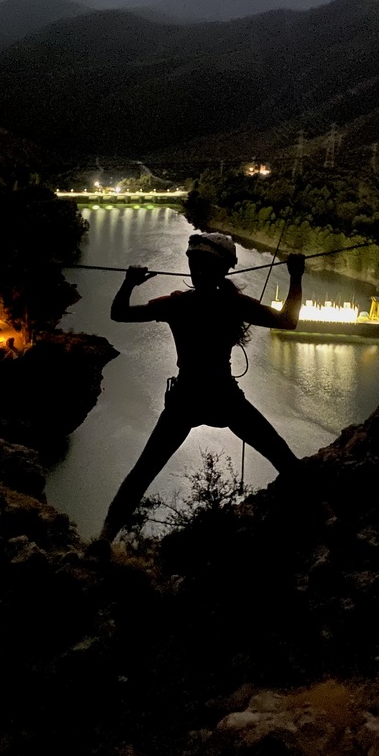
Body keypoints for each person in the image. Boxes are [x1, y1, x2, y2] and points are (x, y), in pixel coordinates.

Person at [97, 232, 305, 543]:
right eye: (195, 264)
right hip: (223, 397)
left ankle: (103, 541)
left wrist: (130, 282)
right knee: (283, 458)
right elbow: (289, 321)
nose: (195, 270)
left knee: (141, 474)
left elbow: (119, 314)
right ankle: (324, 516)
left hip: (186, 398)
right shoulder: (232, 304)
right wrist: (295, 277)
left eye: (198, 265)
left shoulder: (178, 304)